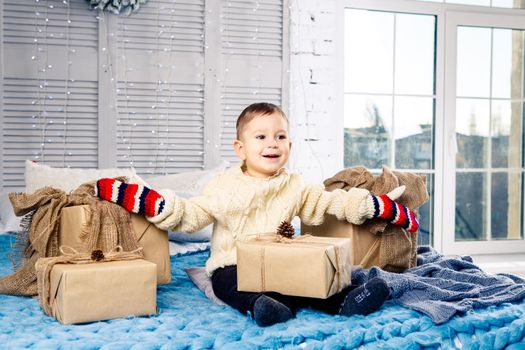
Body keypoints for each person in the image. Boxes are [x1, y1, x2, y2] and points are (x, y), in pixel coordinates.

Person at [95, 102, 419, 327]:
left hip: (278, 261)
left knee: (306, 279)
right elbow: (191, 215)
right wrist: (156, 203)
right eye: (261, 137)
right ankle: (258, 306)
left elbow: (330, 203)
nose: (272, 144)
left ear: (289, 146)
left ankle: (346, 300)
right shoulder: (224, 186)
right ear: (241, 148)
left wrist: (375, 206)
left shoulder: (295, 186)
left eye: (280, 137)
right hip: (233, 262)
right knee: (228, 283)